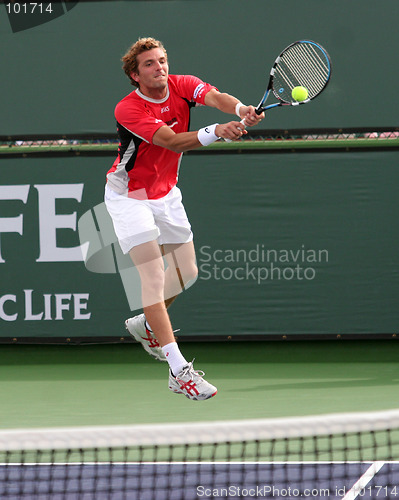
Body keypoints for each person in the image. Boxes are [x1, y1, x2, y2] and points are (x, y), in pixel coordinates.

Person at [105, 37, 264, 401]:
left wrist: (240, 109)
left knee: (186, 273)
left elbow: (215, 97)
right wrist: (216, 131)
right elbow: (172, 141)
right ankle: (179, 370)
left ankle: (147, 324)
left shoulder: (182, 84)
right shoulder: (128, 109)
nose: (159, 67)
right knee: (154, 276)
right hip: (129, 197)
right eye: (149, 64)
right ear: (135, 74)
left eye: (161, 60)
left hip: (166, 193)